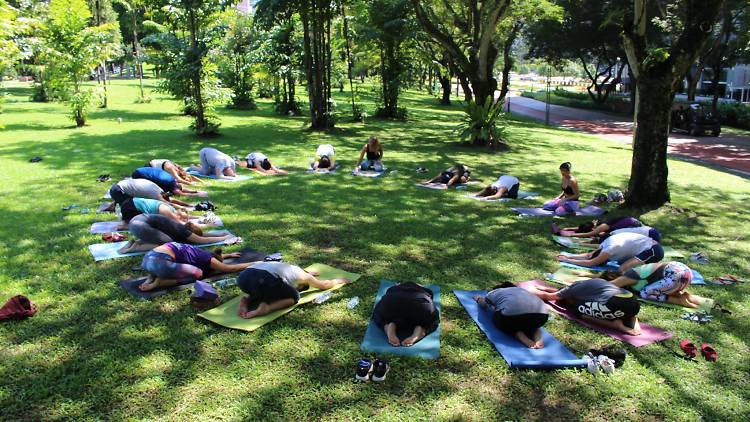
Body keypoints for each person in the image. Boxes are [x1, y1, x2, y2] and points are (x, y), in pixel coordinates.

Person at [236, 262, 350, 319]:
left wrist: (308, 273)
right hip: (265, 279)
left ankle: (247, 300)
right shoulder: (304, 277)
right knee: (294, 296)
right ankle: (267, 308)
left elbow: (286, 273)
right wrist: (337, 280)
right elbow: (323, 285)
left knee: (262, 289)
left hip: (243, 278)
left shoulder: (287, 268)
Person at [529, 278, 641, 335]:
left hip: (615, 304)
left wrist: (527, 291)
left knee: (578, 310)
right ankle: (634, 323)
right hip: (633, 302)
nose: (569, 303)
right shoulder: (593, 284)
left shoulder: (574, 290)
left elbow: (548, 296)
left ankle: (616, 325)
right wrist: (544, 287)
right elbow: (561, 291)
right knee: (618, 308)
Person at [139, 242, 255, 291]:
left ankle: (150, 277)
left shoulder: (199, 252)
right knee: (198, 274)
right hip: (161, 264)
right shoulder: (207, 259)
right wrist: (256, 263)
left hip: (147, 259)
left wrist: (228, 254)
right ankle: (157, 283)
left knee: (164, 262)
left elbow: (215, 256)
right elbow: (230, 269)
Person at [474, 282, 548, 349]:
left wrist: (478, 298)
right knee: (533, 324)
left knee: (498, 319)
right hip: (542, 316)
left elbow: (484, 305)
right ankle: (538, 338)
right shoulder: (522, 290)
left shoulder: (494, 292)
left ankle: (520, 336)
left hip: (512, 316)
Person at [119, 214, 235, 254]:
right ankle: (136, 247)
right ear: (191, 233)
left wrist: (220, 234)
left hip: (135, 222)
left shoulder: (181, 228)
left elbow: (203, 236)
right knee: (168, 245)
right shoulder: (183, 231)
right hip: (140, 226)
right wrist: (224, 237)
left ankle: (134, 242)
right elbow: (203, 240)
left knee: (160, 238)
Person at [372, 282, 440, 347]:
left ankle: (387, 326)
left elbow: (389, 292)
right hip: (420, 303)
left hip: (392, 301)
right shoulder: (425, 290)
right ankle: (421, 328)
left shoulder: (394, 288)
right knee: (433, 320)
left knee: (377, 314)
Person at [557, 232, 664, 273]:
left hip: (654, 250)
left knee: (622, 269)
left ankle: (657, 271)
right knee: (623, 266)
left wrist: (568, 260)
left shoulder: (610, 249)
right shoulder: (605, 244)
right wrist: (569, 256)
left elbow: (591, 262)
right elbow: (590, 255)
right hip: (646, 246)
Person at [608, 261, 702, 308]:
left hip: (676, 274)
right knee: (657, 290)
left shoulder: (629, 275)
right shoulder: (634, 276)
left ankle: (678, 301)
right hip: (685, 273)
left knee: (644, 293)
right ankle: (686, 297)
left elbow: (609, 285)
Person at [108, 178, 192, 208]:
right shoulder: (155, 194)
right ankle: (114, 205)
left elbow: (170, 200)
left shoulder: (158, 189)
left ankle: (115, 203)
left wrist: (187, 204)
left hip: (118, 186)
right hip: (117, 191)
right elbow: (169, 204)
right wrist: (185, 208)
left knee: (131, 199)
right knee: (131, 208)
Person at [131, 167, 204, 196]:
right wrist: (196, 194)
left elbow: (179, 190)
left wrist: (195, 191)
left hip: (140, 170)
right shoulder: (170, 184)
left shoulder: (171, 180)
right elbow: (179, 193)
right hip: (140, 174)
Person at [555, 216, 642, 238]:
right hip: (635, 224)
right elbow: (584, 228)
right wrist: (567, 228)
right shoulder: (603, 225)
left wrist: (570, 235)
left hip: (634, 226)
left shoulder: (603, 225)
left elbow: (590, 233)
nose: (594, 220)